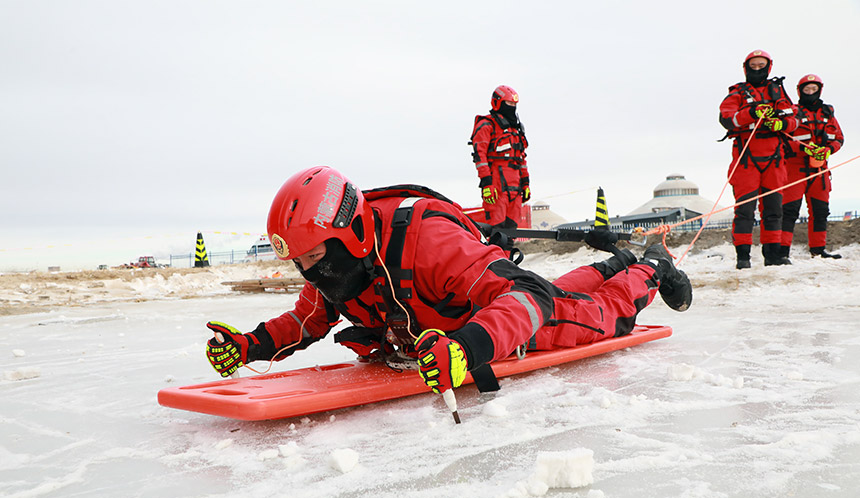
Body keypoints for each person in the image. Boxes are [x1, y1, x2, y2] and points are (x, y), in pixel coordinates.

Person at [205, 166, 693, 398]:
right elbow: (307, 319)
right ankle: (614, 264)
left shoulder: (428, 242)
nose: (313, 272)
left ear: (349, 235)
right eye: (301, 263)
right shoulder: (333, 261)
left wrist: (466, 348)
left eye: (315, 257)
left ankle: (652, 266)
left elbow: (529, 296)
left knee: (598, 316)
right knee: (563, 291)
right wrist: (249, 346)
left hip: (492, 325)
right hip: (452, 322)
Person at [719, 50, 798, 269]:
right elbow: (726, 118)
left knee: (774, 210)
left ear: (768, 67)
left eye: (761, 66)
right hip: (747, 157)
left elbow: (795, 119)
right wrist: (752, 113)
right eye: (753, 66)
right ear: (746, 68)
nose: (757, 70)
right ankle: (743, 257)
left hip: (774, 158)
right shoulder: (737, 93)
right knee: (744, 210)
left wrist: (782, 124)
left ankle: (773, 256)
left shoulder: (779, 92)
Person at [780, 74, 845, 259]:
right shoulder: (792, 113)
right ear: (800, 91)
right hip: (795, 170)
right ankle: (782, 251)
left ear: (820, 90)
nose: (810, 93)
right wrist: (804, 148)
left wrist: (828, 150)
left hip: (820, 170)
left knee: (820, 211)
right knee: (789, 211)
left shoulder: (828, 114)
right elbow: (782, 140)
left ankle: (818, 249)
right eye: (806, 89)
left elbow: (839, 138)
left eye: (814, 89)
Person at [469, 85, 530, 230]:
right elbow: (480, 156)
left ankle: (508, 247)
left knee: (511, 229)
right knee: (496, 228)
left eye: (514, 104)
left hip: (515, 186)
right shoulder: (486, 125)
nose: (512, 107)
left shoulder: (516, 130)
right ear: (498, 103)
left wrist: (526, 183)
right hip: (496, 185)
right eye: (508, 103)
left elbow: (521, 158)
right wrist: (486, 183)